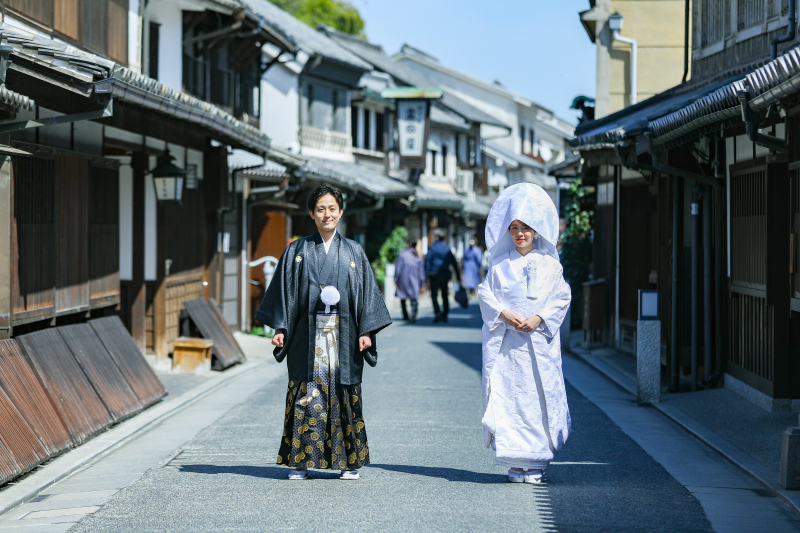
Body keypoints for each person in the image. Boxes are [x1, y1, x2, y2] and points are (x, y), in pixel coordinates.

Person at [255, 183, 392, 481]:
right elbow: (284, 293)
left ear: (341, 212)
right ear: (311, 214)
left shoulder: (354, 252)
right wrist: (280, 327)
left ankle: (348, 462)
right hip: (307, 336)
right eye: (320, 209)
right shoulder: (296, 251)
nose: (326, 214)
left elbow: (366, 295)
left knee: (343, 393)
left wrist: (367, 331)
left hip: (344, 335)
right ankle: (300, 462)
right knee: (306, 394)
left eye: (332, 208)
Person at [477, 183, 571, 484]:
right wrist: (503, 313)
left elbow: (562, 297)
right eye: (514, 227)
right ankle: (514, 462)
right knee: (509, 399)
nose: (520, 234)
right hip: (507, 345)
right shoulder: (499, 266)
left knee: (537, 400)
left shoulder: (551, 266)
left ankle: (537, 462)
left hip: (537, 345)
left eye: (526, 228)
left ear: (537, 231)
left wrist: (539, 317)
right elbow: (485, 295)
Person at [424, 231, 461, 323]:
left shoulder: (432, 249)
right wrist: (458, 276)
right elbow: (454, 263)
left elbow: (428, 261)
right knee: (445, 295)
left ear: (437, 238)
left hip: (434, 274)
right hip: (445, 275)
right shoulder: (448, 249)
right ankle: (445, 315)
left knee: (434, 295)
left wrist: (426, 274)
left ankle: (437, 313)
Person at [394, 239, 425, 322]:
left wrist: (396, 279)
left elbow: (398, 268)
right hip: (415, 280)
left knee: (403, 298)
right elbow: (421, 272)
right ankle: (414, 312)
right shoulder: (418, 256)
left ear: (409, 244)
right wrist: (422, 283)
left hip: (403, 279)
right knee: (414, 298)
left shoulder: (403, 255)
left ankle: (405, 315)